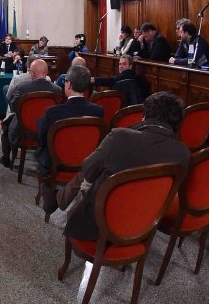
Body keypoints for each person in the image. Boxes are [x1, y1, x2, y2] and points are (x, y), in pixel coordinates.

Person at [57, 92, 191, 239]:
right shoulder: (183, 153)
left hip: (100, 220)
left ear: (145, 116)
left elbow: (88, 167)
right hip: (145, 221)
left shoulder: (119, 137)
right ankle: (59, 199)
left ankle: (59, 200)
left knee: (93, 169)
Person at [36, 65, 104, 212]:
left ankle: (49, 188)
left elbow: (41, 137)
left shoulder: (52, 112)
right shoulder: (98, 111)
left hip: (56, 164)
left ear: (69, 85)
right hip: (87, 163)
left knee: (42, 149)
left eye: (65, 81)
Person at [0, 59, 62, 168]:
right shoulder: (57, 90)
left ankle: (6, 159)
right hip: (48, 132)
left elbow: (14, 108)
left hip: (23, 132)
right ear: (47, 72)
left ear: (32, 73)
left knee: (5, 124)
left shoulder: (22, 88)